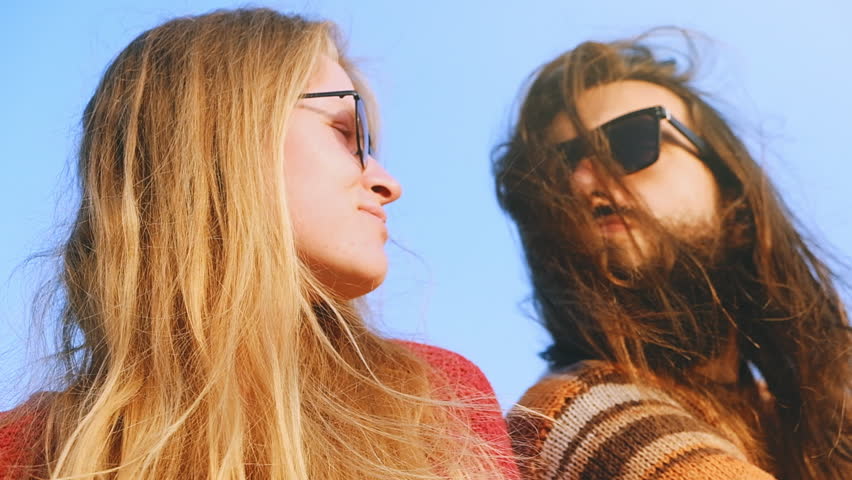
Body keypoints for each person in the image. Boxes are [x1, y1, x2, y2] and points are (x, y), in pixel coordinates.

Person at [0, 9, 517, 480]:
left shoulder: (438, 405)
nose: (387, 184)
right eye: (344, 133)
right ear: (221, 137)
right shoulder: (23, 455)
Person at [493, 34, 851, 480]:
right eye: (555, 172)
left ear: (732, 193)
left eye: (627, 142)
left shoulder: (809, 417)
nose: (581, 183)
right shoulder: (577, 419)